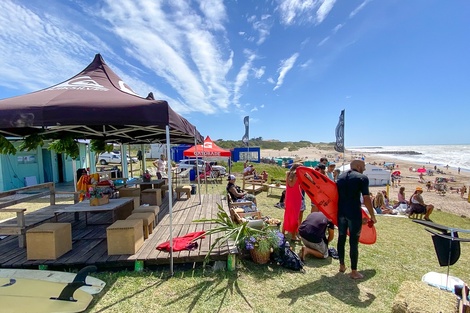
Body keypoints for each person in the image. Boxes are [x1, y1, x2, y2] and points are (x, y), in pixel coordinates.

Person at [336, 160, 377, 279]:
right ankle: (354, 272)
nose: (364, 168)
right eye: (363, 166)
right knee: (353, 242)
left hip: (341, 212)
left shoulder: (340, 177)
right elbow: (366, 198)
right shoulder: (362, 178)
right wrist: (372, 215)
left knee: (341, 238)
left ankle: (342, 265)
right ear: (358, 166)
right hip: (353, 213)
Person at [283, 163, 303, 241]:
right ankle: (293, 236)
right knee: (295, 217)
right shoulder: (298, 176)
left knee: (287, 215)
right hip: (296, 199)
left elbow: (287, 188)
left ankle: (283, 232)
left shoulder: (288, 174)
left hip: (288, 198)